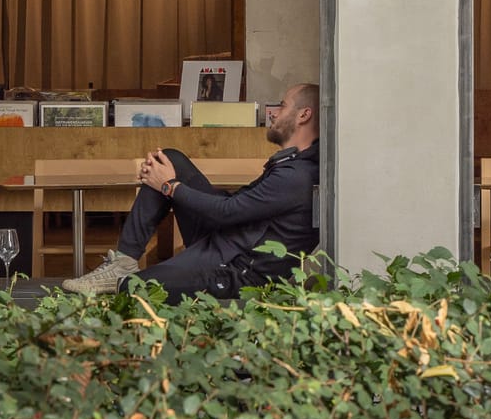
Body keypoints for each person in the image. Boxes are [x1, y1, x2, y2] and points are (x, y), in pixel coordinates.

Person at [62, 82, 321, 298]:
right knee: (170, 159)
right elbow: (235, 206)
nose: (274, 113)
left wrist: (169, 186)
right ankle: (123, 261)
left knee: (135, 288)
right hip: (226, 242)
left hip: (234, 271)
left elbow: (227, 212)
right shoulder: (292, 165)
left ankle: (122, 278)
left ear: (303, 115)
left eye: (283, 106)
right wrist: (168, 181)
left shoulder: (297, 176)